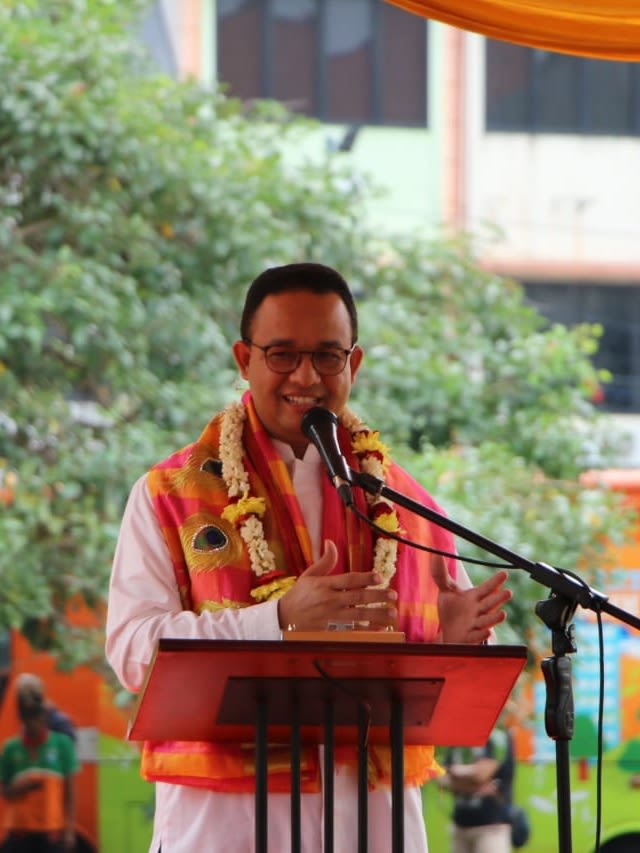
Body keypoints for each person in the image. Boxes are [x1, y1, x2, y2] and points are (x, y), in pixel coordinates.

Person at [106, 261, 511, 852]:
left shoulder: (402, 500)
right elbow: (133, 651)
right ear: (244, 360)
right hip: (227, 828)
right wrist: (278, 621)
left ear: (355, 363)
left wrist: (449, 638)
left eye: (328, 356)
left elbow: (470, 663)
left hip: (372, 824)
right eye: (281, 355)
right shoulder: (169, 495)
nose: (306, 376)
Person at [0, 674, 78, 852]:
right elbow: (5, 791)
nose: (32, 725)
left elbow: (70, 794)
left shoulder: (62, 745)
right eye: (28, 719)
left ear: (44, 717)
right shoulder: (11, 748)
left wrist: (69, 831)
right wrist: (22, 787)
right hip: (19, 835)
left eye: (35, 718)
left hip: (50, 835)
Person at [438, 723, 515, 853]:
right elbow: (441, 778)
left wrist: (457, 775)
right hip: (460, 826)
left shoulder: (498, 736)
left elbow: (482, 774)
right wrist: (475, 781)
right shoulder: (456, 737)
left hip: (492, 827)